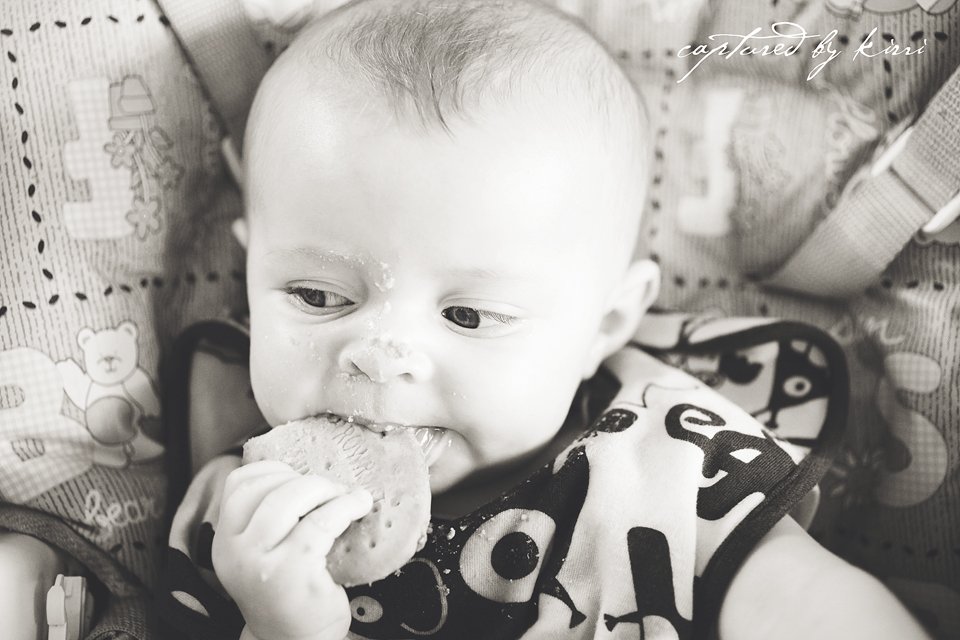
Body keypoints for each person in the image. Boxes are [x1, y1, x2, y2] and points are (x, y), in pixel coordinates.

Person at [159, 1, 928, 639]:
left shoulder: (667, 470)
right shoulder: (242, 524)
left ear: (606, 325)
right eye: (319, 296)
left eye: (468, 314)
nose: (380, 354)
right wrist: (275, 626)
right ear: (250, 272)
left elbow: (812, 606)